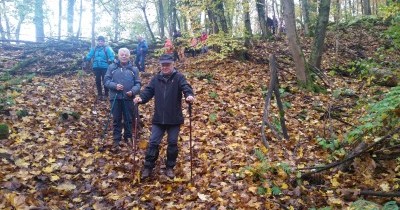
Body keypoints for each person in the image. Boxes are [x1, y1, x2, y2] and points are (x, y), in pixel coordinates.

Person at [133, 54, 194, 180]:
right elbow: (148, 91)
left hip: (174, 118)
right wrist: (141, 98)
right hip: (159, 118)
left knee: (172, 143)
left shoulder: (179, 77)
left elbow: (186, 87)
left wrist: (189, 95)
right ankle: (148, 167)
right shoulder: (156, 79)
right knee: (153, 142)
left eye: (168, 64)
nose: (165, 67)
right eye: (163, 65)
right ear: (160, 65)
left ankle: (170, 167)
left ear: (173, 65)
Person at [105, 48, 141, 151]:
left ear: (129, 56)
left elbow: (138, 84)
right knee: (116, 119)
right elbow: (106, 81)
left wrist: (133, 91)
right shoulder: (112, 67)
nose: (124, 56)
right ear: (118, 55)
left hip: (128, 98)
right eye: (122, 54)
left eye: (126, 54)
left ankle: (128, 137)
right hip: (115, 97)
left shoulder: (134, 69)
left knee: (129, 119)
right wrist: (115, 86)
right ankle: (116, 139)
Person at [84, 36, 115, 100]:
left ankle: (106, 94)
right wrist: (86, 58)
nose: (100, 42)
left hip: (105, 67)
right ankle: (99, 94)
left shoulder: (107, 49)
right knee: (97, 80)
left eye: (101, 41)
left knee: (105, 80)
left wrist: (112, 60)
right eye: (99, 41)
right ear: (97, 42)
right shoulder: (94, 49)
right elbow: (90, 55)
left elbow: (111, 56)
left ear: (104, 42)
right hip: (96, 66)